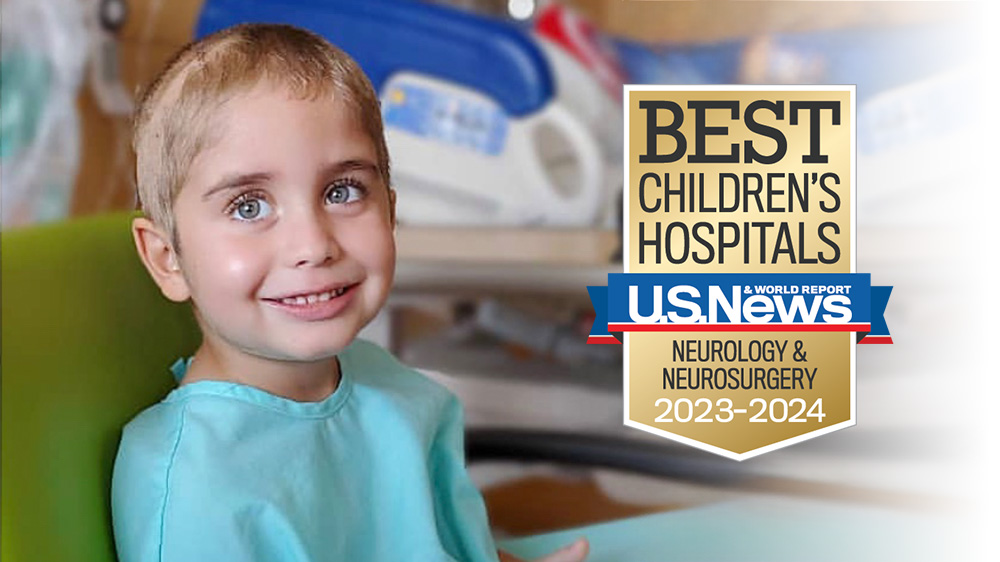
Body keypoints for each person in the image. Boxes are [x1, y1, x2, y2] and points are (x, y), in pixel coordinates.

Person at [112, 23, 588, 562]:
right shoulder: (193, 485)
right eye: (249, 206)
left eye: (342, 191)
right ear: (166, 258)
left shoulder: (388, 385)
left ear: (390, 208)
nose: (313, 245)